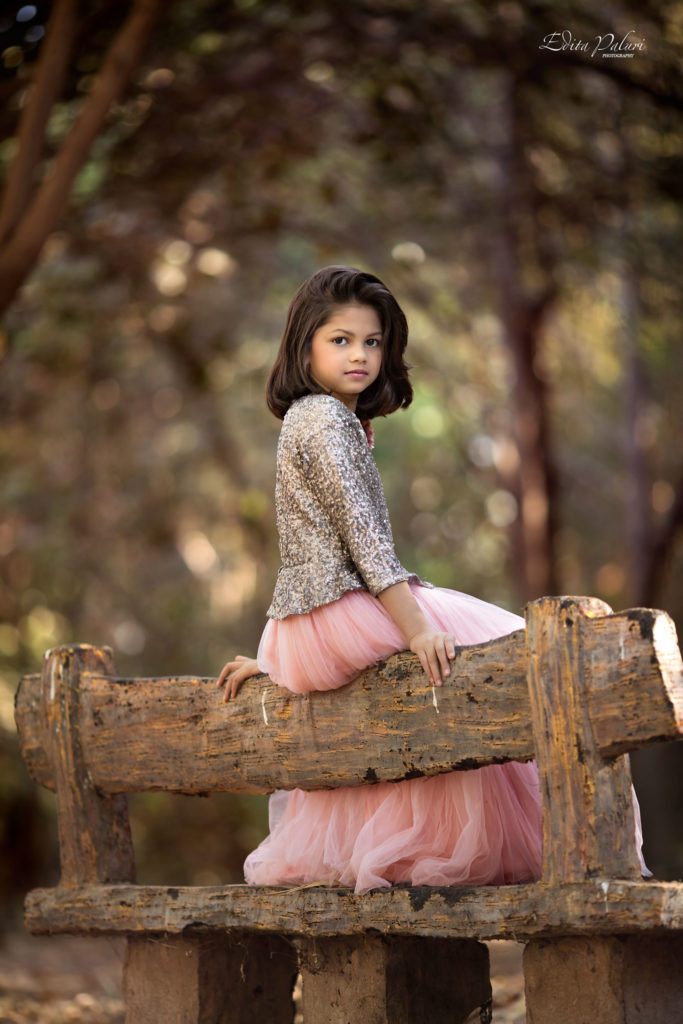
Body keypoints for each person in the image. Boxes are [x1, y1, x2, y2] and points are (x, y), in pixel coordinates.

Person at [216, 266, 630, 893]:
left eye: (372, 342)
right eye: (340, 340)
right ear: (304, 346)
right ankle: (566, 848)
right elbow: (365, 546)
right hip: (334, 609)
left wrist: (280, 657)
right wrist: (417, 629)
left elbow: (318, 547)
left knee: (456, 670)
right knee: (503, 645)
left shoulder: (314, 418)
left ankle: (413, 844)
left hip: (305, 619)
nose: (359, 354)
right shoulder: (326, 420)